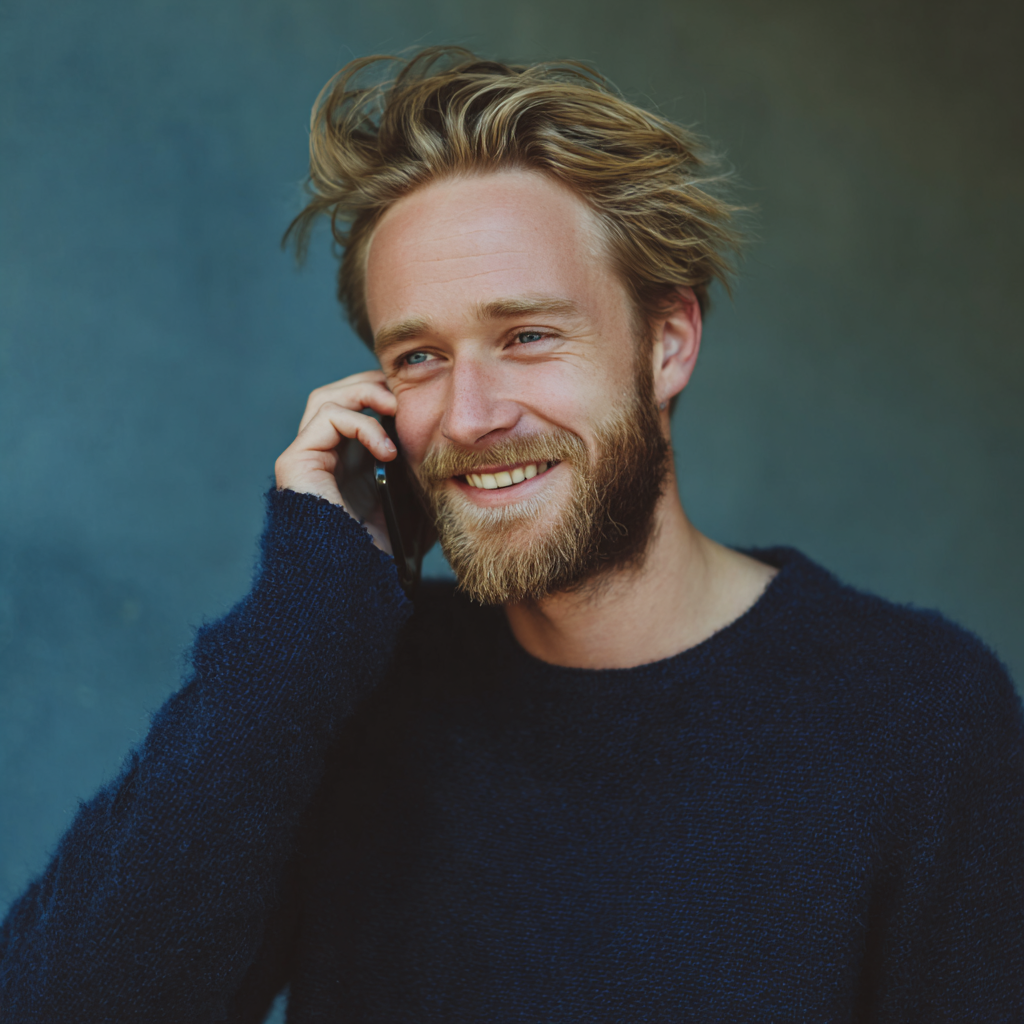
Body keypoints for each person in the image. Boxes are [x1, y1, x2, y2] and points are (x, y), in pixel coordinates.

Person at [2, 47, 1022, 1023]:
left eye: (526, 335)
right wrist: (302, 615)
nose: (470, 414)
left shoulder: (917, 716)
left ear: (666, 343)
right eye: (417, 356)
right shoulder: (338, 678)